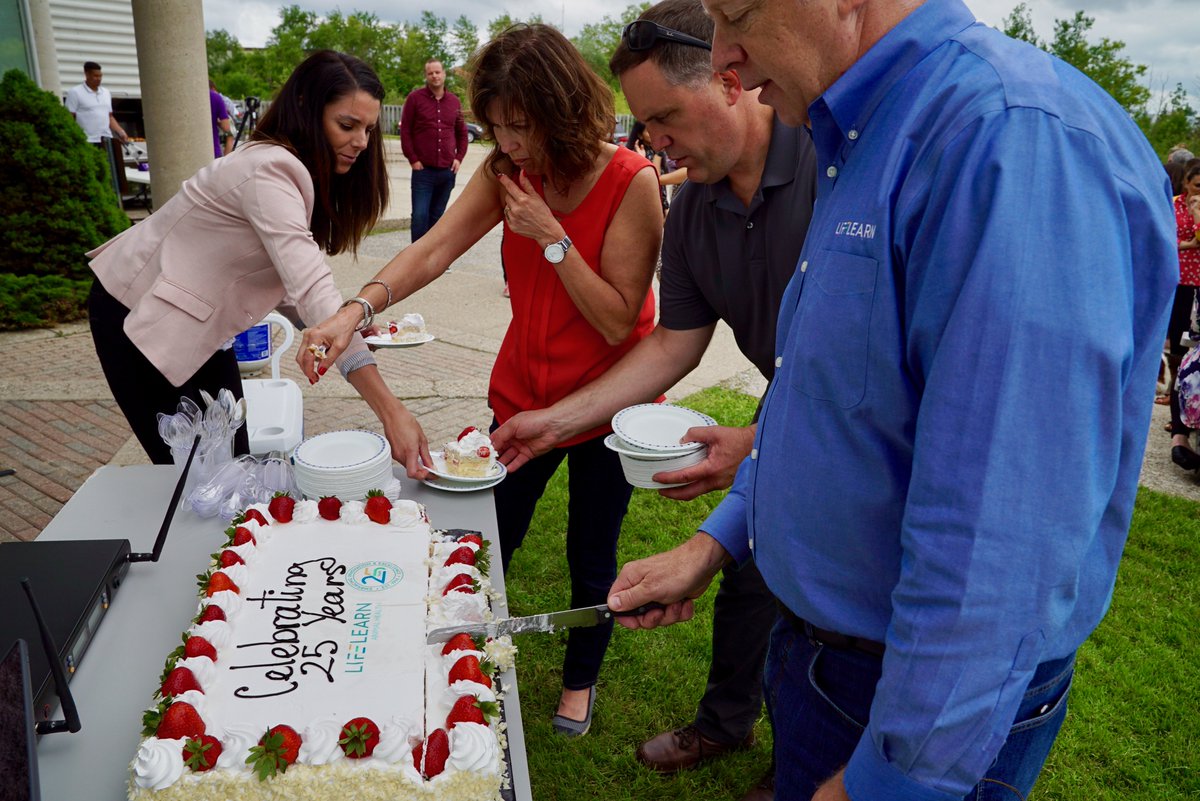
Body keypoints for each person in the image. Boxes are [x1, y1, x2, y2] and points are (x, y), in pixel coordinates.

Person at [606, 1, 1177, 800]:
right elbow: (830, 410)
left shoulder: (1004, 136)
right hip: (826, 660)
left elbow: (1000, 538)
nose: (726, 56)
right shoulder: (866, 136)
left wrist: (887, 784)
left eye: (736, 12)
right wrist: (713, 545)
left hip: (898, 696)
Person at [297, 24, 664, 737]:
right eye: (496, 127)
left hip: (607, 404)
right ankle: (457, 652)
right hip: (522, 396)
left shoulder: (632, 182)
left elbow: (621, 322)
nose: (510, 143)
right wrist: (356, 308)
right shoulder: (506, 172)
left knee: (592, 552)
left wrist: (550, 235)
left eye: (520, 126)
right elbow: (433, 251)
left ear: (561, 109)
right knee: (486, 535)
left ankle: (578, 683)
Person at [490, 4, 815, 798]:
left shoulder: (823, 164)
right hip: (793, 408)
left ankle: (803, 762)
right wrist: (556, 423)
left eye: (665, 117)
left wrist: (764, 440)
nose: (653, 139)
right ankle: (729, 720)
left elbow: (856, 363)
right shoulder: (696, 207)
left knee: (818, 603)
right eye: (645, 121)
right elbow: (671, 344)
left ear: (733, 80)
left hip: (835, 417)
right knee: (750, 574)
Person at [86, 50, 426, 471]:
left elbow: (295, 287)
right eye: (347, 125)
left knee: (234, 461)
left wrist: (339, 322)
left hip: (198, 326)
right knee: (194, 474)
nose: (361, 141)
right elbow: (312, 290)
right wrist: (391, 410)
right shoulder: (270, 171)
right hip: (136, 314)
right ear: (306, 110)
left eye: (369, 129)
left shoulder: (288, 168)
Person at [400, 59, 468, 241]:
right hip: (423, 172)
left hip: (447, 172)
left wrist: (459, 158)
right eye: (430, 73)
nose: (435, 76)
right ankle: (416, 259)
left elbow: (462, 133)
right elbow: (405, 130)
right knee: (420, 216)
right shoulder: (415, 99)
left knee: (437, 217)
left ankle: (432, 261)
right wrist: (413, 159)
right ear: (426, 76)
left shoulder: (454, 101)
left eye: (437, 72)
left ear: (444, 74)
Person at [1168, 159, 1200, 470]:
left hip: (1199, 287)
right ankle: (1179, 431)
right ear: (1186, 183)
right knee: (1181, 356)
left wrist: (1196, 215)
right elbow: (1165, 240)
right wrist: (1187, 242)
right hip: (1178, 283)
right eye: (1196, 184)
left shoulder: (1194, 209)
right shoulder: (1171, 205)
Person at [65, 61, 129, 145]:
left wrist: (121, 132)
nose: (98, 79)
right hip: (86, 140)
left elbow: (109, 116)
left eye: (100, 76)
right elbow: (69, 116)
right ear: (87, 74)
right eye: (95, 76)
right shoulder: (75, 92)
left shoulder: (106, 92)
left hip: (106, 138)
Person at [209, 78, 233, 156]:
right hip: (212, 149)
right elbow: (226, 127)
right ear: (213, 88)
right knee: (230, 136)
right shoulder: (216, 97)